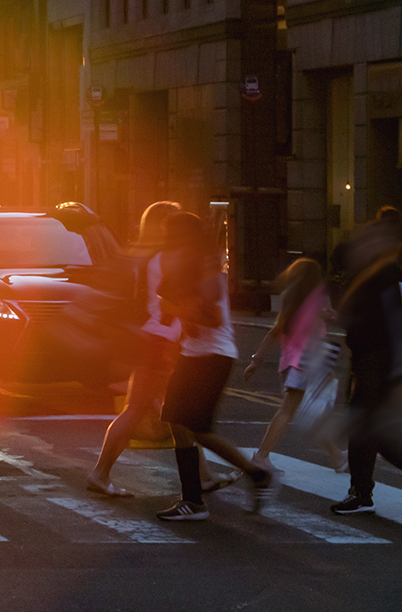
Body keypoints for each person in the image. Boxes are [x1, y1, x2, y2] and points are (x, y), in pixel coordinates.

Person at [87, 201, 219, 497]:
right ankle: (100, 473)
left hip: (155, 339)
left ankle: (205, 475)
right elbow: (172, 307)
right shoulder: (168, 259)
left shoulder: (152, 257)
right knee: (141, 412)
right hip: (162, 341)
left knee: (172, 414)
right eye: (174, 222)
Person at [153, 212, 277, 522]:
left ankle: (250, 475)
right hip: (193, 353)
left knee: (198, 428)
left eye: (172, 234)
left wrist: (181, 310)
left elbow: (212, 318)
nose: (166, 240)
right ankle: (194, 499)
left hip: (214, 355)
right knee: (176, 420)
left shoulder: (204, 268)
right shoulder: (181, 265)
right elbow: (167, 308)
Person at [330, 220, 402, 515]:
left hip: (378, 362)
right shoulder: (370, 276)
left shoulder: (392, 279)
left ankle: (361, 492)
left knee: (362, 424)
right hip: (365, 360)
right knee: (371, 428)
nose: (366, 245)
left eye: (374, 241)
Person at [243, 258, 346, 471]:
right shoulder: (316, 300)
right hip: (307, 363)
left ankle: (337, 456)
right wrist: (329, 313)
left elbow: (274, 333)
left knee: (314, 411)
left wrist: (256, 360)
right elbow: (332, 318)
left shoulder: (290, 298)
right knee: (290, 410)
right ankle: (261, 456)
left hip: (290, 363)